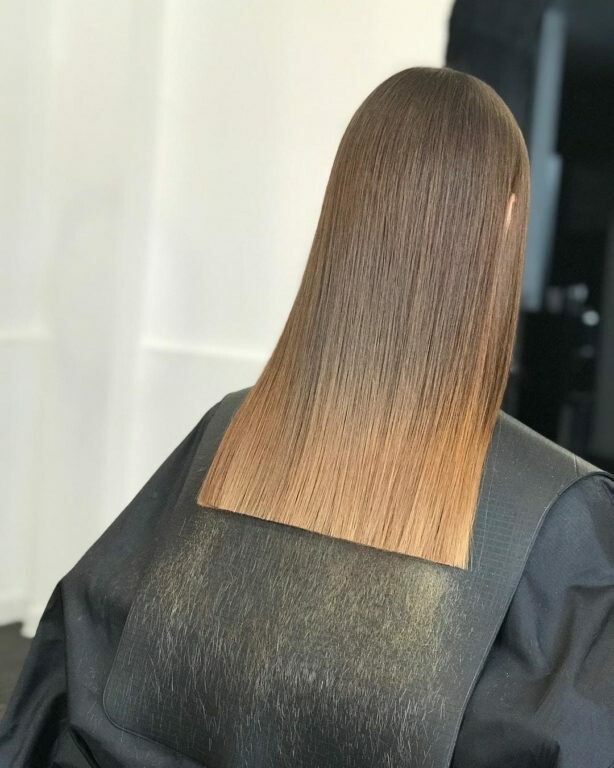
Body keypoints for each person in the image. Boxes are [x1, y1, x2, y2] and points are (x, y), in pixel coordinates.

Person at [1, 66, 613, 768]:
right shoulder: (557, 516)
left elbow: (78, 666)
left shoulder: (228, 436)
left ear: (345, 209)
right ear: (506, 218)